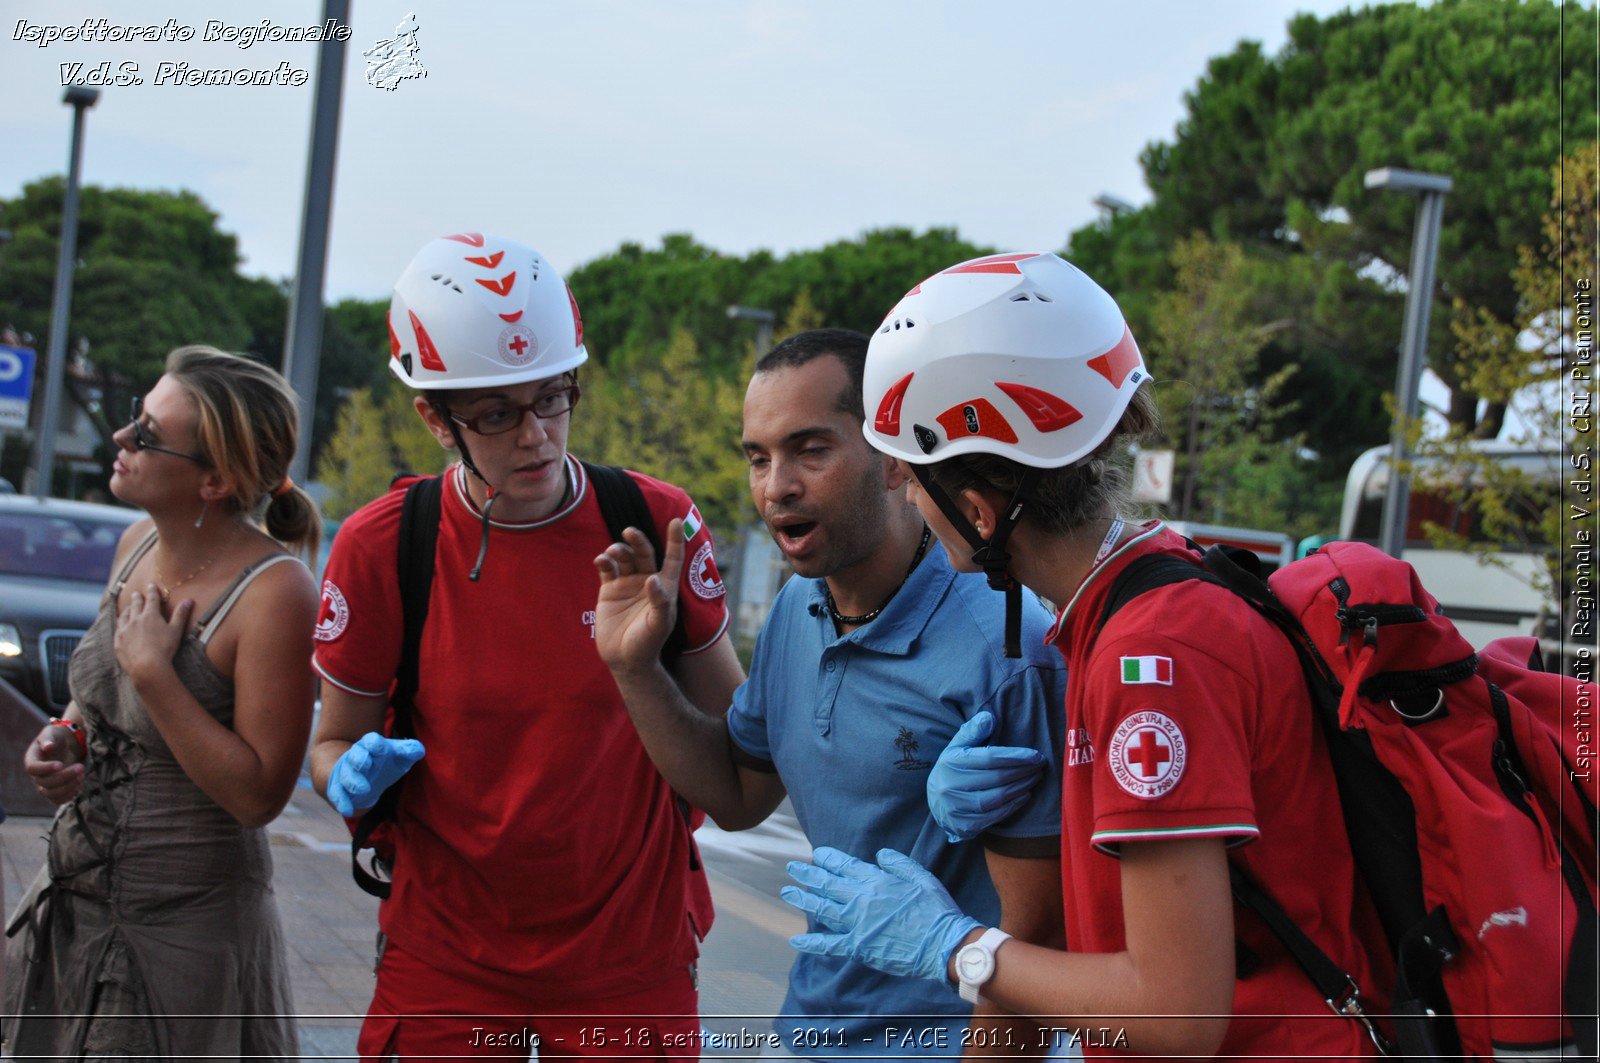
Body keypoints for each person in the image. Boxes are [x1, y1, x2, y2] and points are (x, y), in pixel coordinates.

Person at [778, 253, 1391, 1059]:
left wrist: (955, 945)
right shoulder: (1150, 593)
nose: (910, 500)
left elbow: (1177, 1016)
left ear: (976, 507)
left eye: (913, 479)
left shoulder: (1152, 656)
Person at [308, 232, 744, 1061]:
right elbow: (334, 744)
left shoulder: (657, 523)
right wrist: (343, 773)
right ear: (434, 418)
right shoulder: (383, 546)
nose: (538, 435)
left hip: (628, 954)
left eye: (554, 398)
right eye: (498, 414)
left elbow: (737, 748)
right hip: (447, 959)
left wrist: (646, 668)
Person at [593, 328, 1069, 1060]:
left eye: (809, 450)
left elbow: (1039, 938)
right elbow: (737, 793)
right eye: (758, 456)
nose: (775, 484)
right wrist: (636, 670)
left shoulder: (1006, 645)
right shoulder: (796, 608)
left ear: (891, 459)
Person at [5, 345, 322, 1059]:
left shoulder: (276, 592)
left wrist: (157, 675)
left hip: (183, 941)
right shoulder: (135, 541)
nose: (120, 440)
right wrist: (63, 736)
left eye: (147, 433)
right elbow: (98, 697)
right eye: (133, 419)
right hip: (74, 909)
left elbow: (259, 796)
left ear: (216, 479)